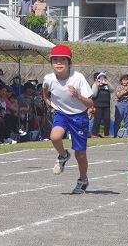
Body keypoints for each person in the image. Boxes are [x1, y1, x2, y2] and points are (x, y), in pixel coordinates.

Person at [43, 45, 93, 194]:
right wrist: (47, 101)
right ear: (51, 63)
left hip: (79, 116)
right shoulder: (49, 78)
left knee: (80, 154)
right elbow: (45, 90)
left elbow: (90, 103)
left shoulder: (78, 78)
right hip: (61, 113)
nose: (59, 63)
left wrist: (77, 95)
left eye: (63, 60)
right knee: (54, 136)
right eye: (55, 60)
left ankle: (83, 180)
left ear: (69, 63)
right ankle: (63, 155)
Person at [91, 72, 112, 138]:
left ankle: (106, 134)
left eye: (104, 78)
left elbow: (112, 90)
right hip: (98, 105)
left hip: (106, 105)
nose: (102, 79)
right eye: (100, 78)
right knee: (97, 119)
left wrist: (108, 84)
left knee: (107, 119)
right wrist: (97, 86)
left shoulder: (106, 85)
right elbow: (93, 94)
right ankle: (95, 134)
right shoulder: (95, 85)